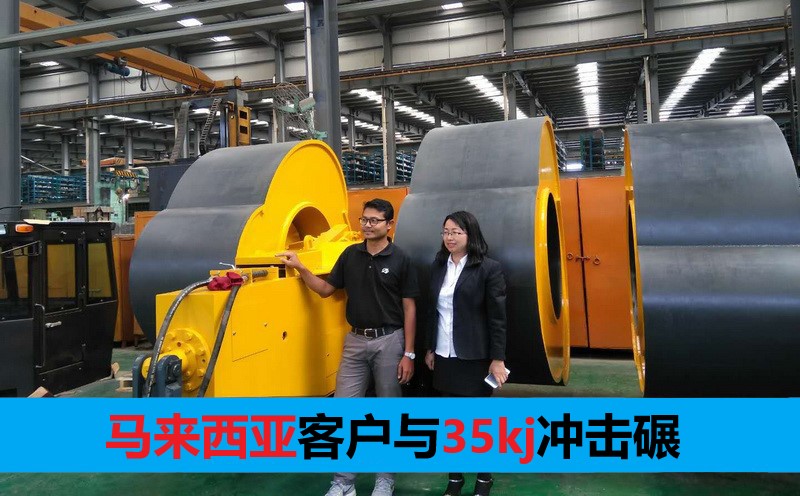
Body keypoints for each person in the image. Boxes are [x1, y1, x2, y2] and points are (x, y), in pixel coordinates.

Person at [277, 198, 418, 496]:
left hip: (389, 340)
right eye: (364, 220)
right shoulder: (350, 255)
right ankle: (343, 482)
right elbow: (326, 290)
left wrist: (409, 353)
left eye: (374, 221)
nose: (367, 225)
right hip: (355, 341)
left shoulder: (401, 259)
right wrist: (300, 267)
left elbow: (410, 308)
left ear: (389, 225)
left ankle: (385, 479)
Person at [423, 211, 508, 496]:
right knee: (451, 422)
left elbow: (498, 318)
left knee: (477, 422)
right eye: (446, 232)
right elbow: (432, 311)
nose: (449, 237)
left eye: (456, 232)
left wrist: (498, 359)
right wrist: (430, 347)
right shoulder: (438, 266)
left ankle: (484, 478)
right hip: (444, 355)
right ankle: (455, 478)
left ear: (470, 235)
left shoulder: (488, 268)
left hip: (475, 357)